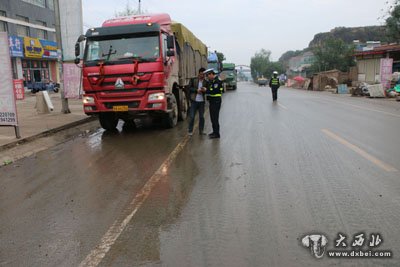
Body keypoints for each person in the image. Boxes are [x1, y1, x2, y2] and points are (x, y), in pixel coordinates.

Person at [204, 68, 224, 139]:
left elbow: (214, 91)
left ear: (212, 74)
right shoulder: (212, 81)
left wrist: (206, 90)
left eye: (208, 75)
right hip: (212, 101)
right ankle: (214, 132)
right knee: (212, 118)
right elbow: (211, 90)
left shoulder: (217, 81)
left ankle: (217, 134)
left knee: (215, 118)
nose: (207, 77)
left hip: (216, 101)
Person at [188, 67, 207, 136]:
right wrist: (196, 90)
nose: (202, 76)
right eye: (201, 74)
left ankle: (201, 131)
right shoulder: (193, 80)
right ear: (198, 74)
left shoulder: (206, 81)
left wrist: (205, 90)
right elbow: (189, 88)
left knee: (201, 117)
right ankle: (190, 131)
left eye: (204, 74)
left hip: (201, 102)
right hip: (194, 101)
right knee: (192, 116)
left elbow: (208, 89)